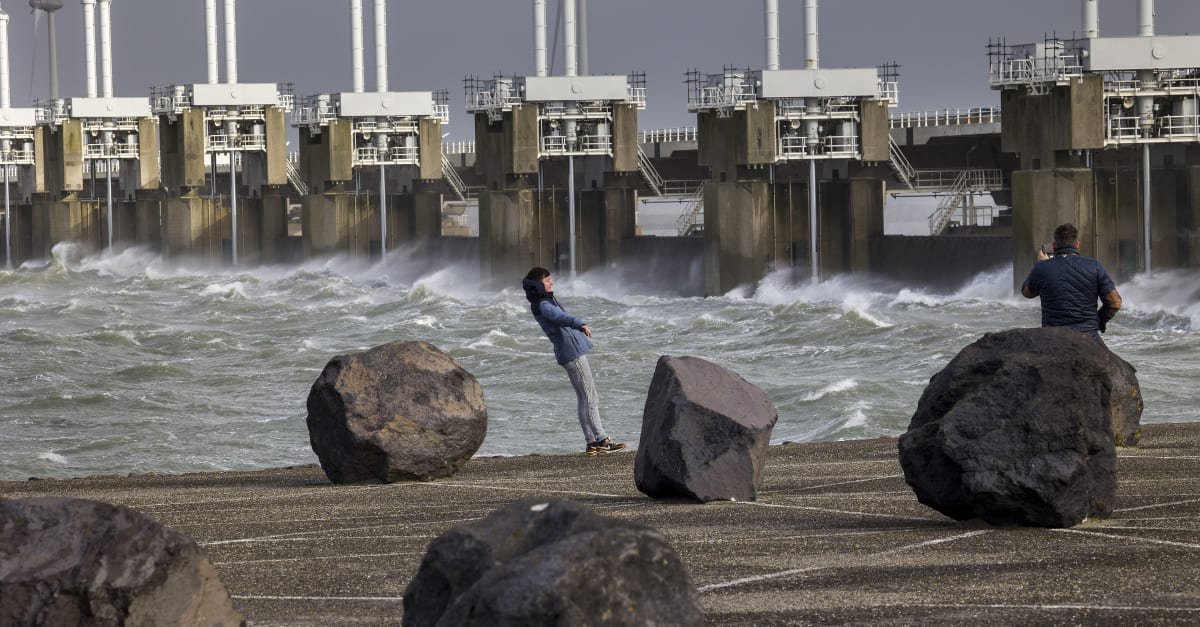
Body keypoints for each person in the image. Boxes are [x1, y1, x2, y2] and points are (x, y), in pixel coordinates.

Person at [522, 267, 627, 456]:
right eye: (547, 281)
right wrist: (580, 323)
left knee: (583, 398)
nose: (551, 283)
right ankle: (602, 439)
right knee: (591, 397)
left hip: (568, 353)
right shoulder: (544, 304)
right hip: (572, 354)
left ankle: (592, 442)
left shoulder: (542, 301)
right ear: (538, 284)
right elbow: (559, 317)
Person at [1021, 223, 1123, 343]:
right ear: (1077, 245)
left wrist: (1040, 265)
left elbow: (1027, 293)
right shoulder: (1095, 266)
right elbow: (1115, 303)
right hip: (1088, 339)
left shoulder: (1042, 267)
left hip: (1053, 340)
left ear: (1054, 246)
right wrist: (1099, 322)